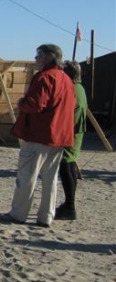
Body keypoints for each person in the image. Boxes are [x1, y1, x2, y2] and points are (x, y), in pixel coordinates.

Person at [0, 43, 75, 228]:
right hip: (58, 136)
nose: (35, 59)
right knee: (50, 178)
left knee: (27, 176)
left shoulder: (45, 77)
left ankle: (18, 213)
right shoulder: (66, 79)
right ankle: (46, 216)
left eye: (38, 55)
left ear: (48, 57)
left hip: (39, 134)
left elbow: (35, 104)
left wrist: (22, 103)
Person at [55, 60, 88, 220]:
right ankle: (69, 204)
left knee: (66, 167)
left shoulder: (72, 89)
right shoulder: (79, 88)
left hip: (71, 132)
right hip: (77, 131)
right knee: (70, 166)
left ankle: (70, 206)